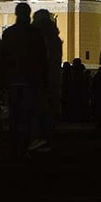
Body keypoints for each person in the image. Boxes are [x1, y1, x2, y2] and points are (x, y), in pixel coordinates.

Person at [0, 2, 48, 160]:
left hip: (13, 79)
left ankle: (14, 145)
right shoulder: (35, 33)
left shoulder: (9, 33)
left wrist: (2, 80)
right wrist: (44, 79)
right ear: (28, 14)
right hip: (31, 79)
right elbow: (42, 58)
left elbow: (3, 58)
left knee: (15, 114)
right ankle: (26, 144)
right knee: (29, 113)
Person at [32, 9, 63, 150]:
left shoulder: (37, 38)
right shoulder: (55, 39)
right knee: (50, 108)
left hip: (39, 78)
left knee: (39, 108)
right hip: (53, 78)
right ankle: (48, 137)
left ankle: (40, 137)